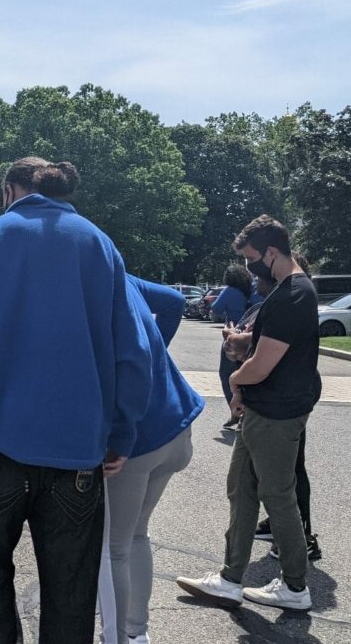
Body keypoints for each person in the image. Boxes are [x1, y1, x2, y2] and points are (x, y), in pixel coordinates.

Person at [0, 157, 152, 644]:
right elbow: (134, 354)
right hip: (78, 453)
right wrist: (121, 434)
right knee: (71, 592)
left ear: (9, 192)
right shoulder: (99, 243)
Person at [177, 215, 320, 611]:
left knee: (277, 496)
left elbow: (262, 366)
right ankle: (229, 578)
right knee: (241, 490)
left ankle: (295, 587)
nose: (249, 268)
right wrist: (245, 345)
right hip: (264, 409)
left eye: (251, 258)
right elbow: (269, 344)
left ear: (271, 252)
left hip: (276, 413)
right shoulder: (288, 291)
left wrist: (236, 380)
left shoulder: (293, 293)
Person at [100, 275, 204, 644]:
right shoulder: (121, 276)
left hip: (137, 441)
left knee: (114, 549)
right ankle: (137, 632)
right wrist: (158, 350)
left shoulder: (92, 286)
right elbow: (175, 303)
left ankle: (120, 637)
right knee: (136, 534)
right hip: (176, 425)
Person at [214, 264, 254, 429]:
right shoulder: (254, 290)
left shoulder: (230, 291)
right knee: (249, 375)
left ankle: (235, 411)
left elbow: (215, 308)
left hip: (233, 337)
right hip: (251, 339)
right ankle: (248, 412)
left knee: (226, 375)